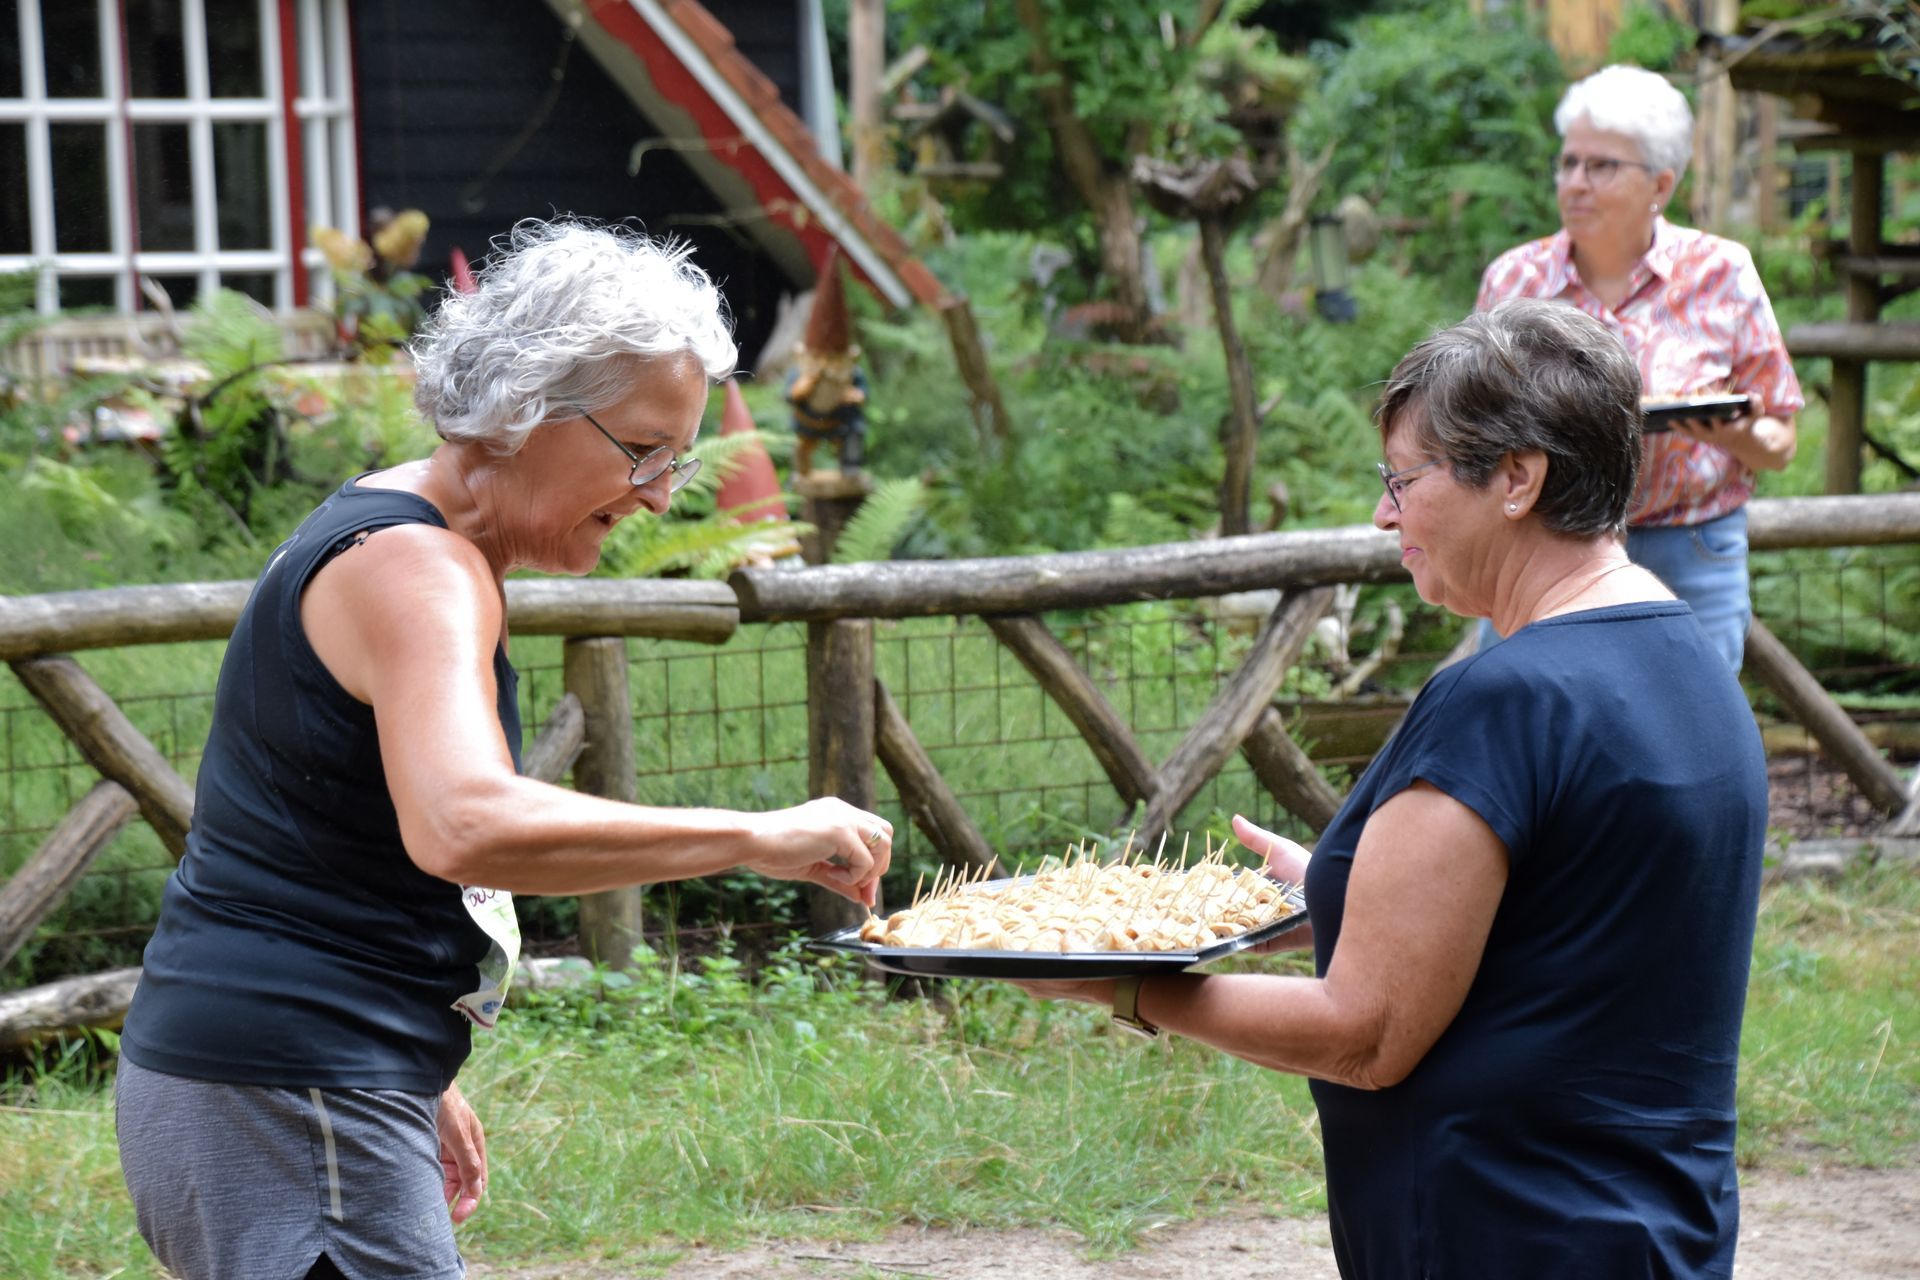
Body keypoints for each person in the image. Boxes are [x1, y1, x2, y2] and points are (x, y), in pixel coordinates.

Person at [114, 220, 894, 1280]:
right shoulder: (418, 569)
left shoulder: (393, 525)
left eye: (677, 457)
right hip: (291, 1085)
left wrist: (414, 1060)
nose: (662, 492)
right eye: (643, 450)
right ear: (525, 409)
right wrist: (757, 836)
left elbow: (306, 826)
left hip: (285, 1075)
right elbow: (463, 823)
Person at [1013, 299, 1769, 1278]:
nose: (1384, 514)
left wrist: (1122, 984)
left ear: (1517, 478)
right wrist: (1338, 892)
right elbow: (1577, 930)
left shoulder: (1503, 698)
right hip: (1660, 1229)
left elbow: (1366, 1037)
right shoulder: (1693, 661)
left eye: (1403, 479)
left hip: (1506, 1233)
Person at [1477, 63, 1802, 671]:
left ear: (1661, 184)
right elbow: (1471, 428)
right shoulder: (1515, 280)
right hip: (1543, 547)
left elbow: (1780, 443)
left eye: (1601, 166)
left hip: (1689, 550)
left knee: (1687, 723)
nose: (1575, 183)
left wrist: (1732, 433)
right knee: (1528, 720)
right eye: (1569, 162)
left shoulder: (1722, 272)